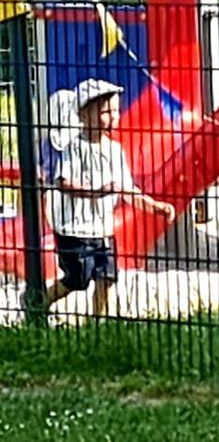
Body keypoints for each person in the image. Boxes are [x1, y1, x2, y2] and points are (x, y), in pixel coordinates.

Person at [47, 79, 174, 317]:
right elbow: (63, 182)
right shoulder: (74, 148)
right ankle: (39, 301)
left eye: (116, 110)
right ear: (84, 114)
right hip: (75, 229)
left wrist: (155, 206)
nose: (114, 116)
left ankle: (99, 324)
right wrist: (97, 191)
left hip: (102, 230)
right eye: (106, 111)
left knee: (107, 276)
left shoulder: (115, 150)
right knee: (78, 278)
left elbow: (127, 189)